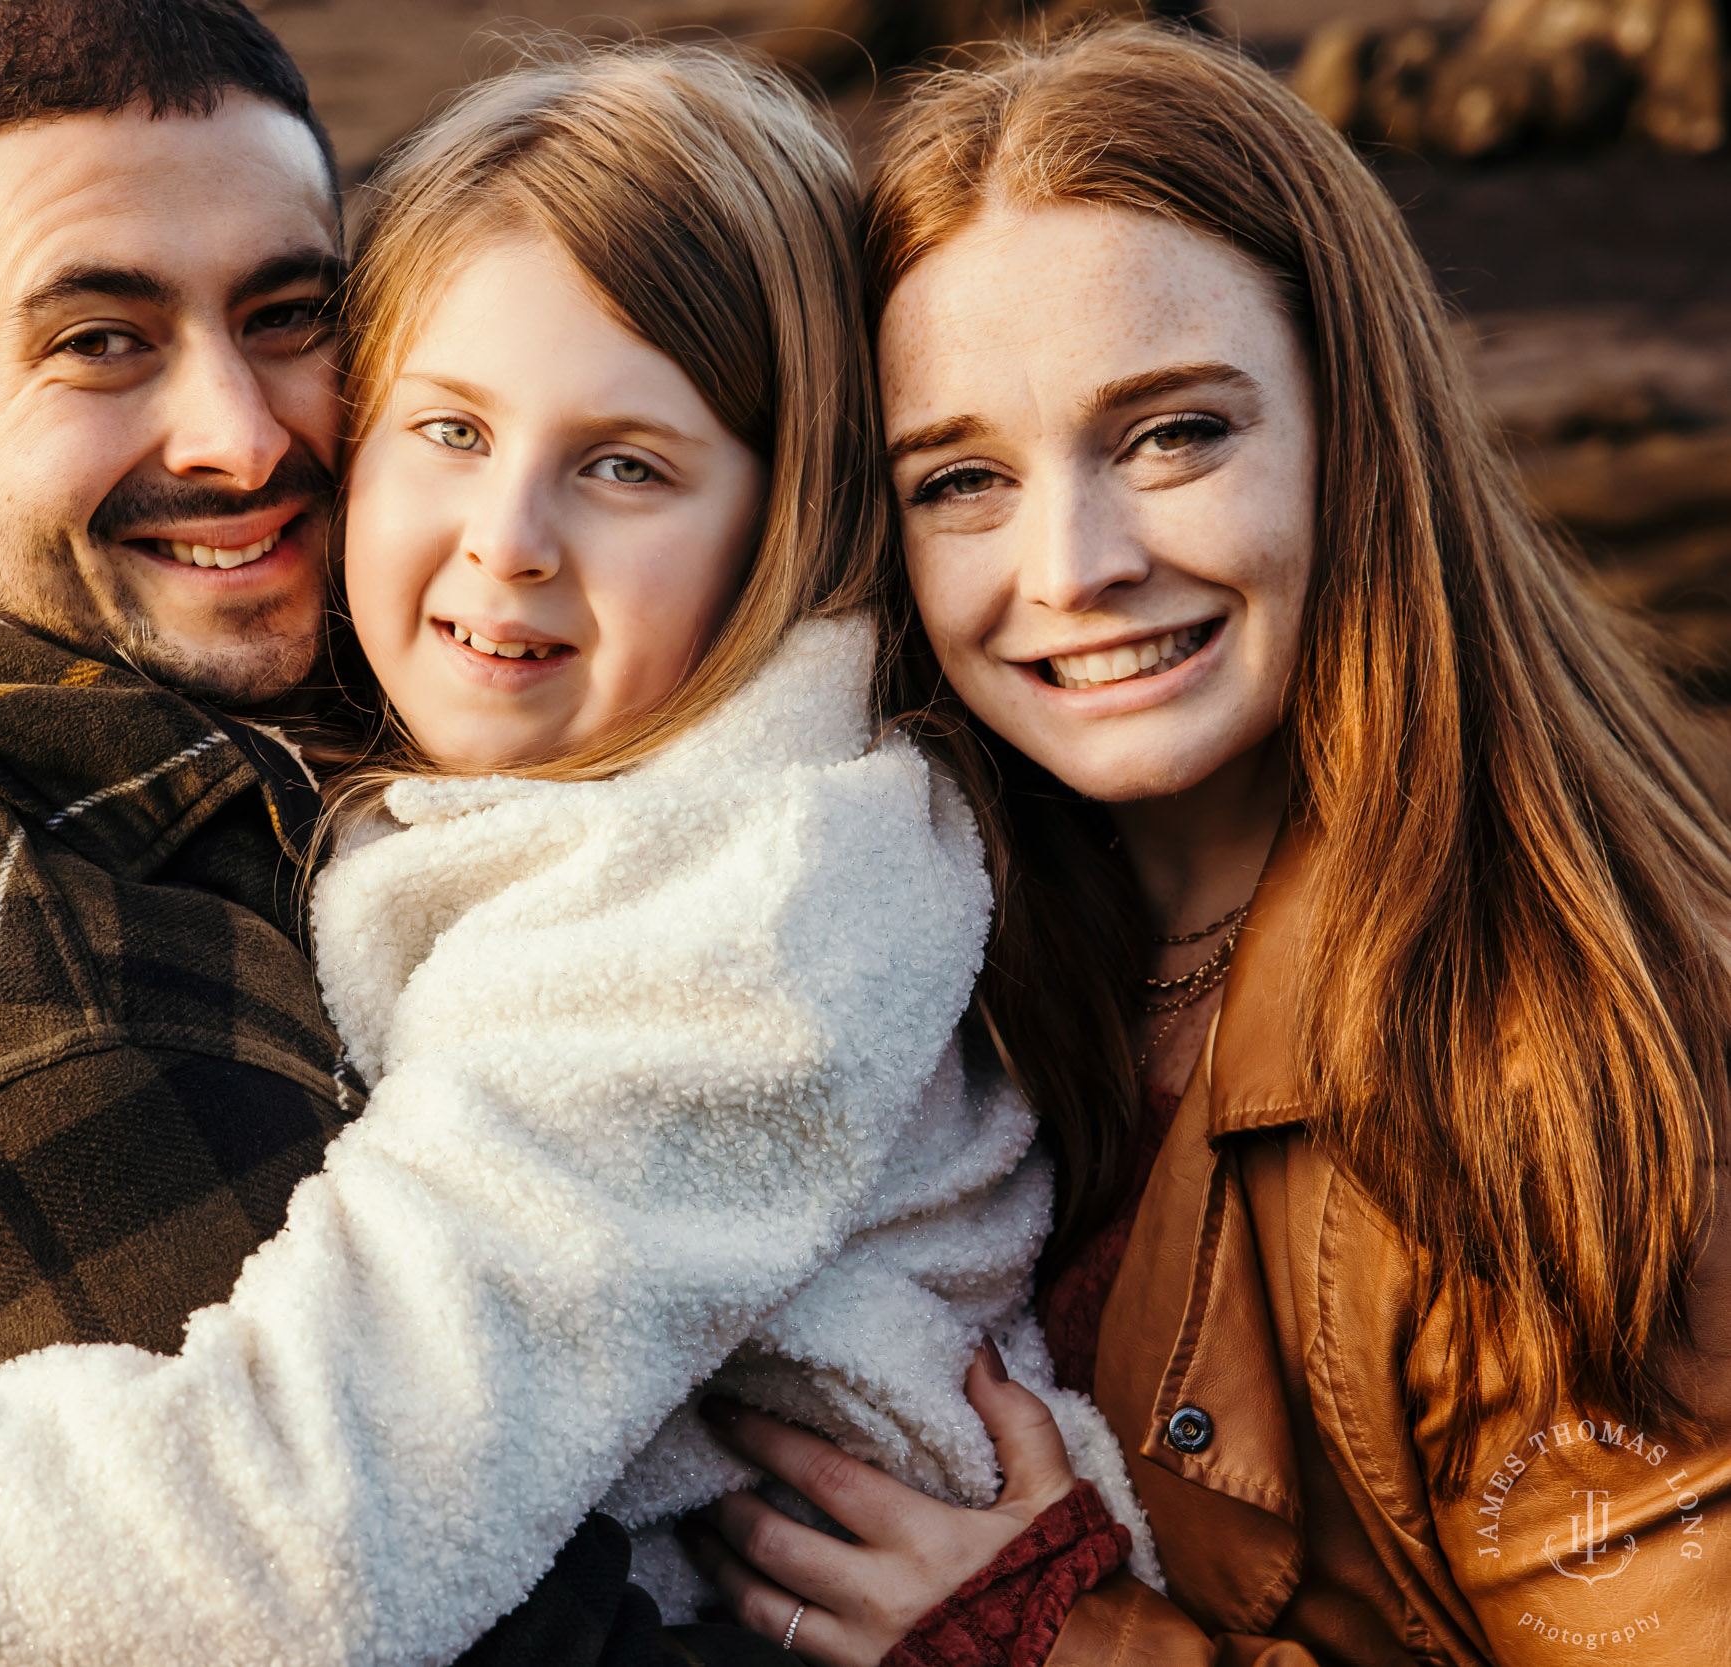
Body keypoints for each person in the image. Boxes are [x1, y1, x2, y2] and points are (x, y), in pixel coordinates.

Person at [0, 40, 1152, 1666]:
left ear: (791, 515)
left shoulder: (733, 904)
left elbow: (294, 1539)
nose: (241, 438)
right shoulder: (30, 1037)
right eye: (98, 340)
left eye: (287, 318)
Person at [680, 24, 1731, 1666]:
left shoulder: (1555, 1069)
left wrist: (1065, 1645)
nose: (1075, 564)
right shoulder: (917, 936)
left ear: (1351, 426)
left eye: (1172, 434)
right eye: (962, 477)